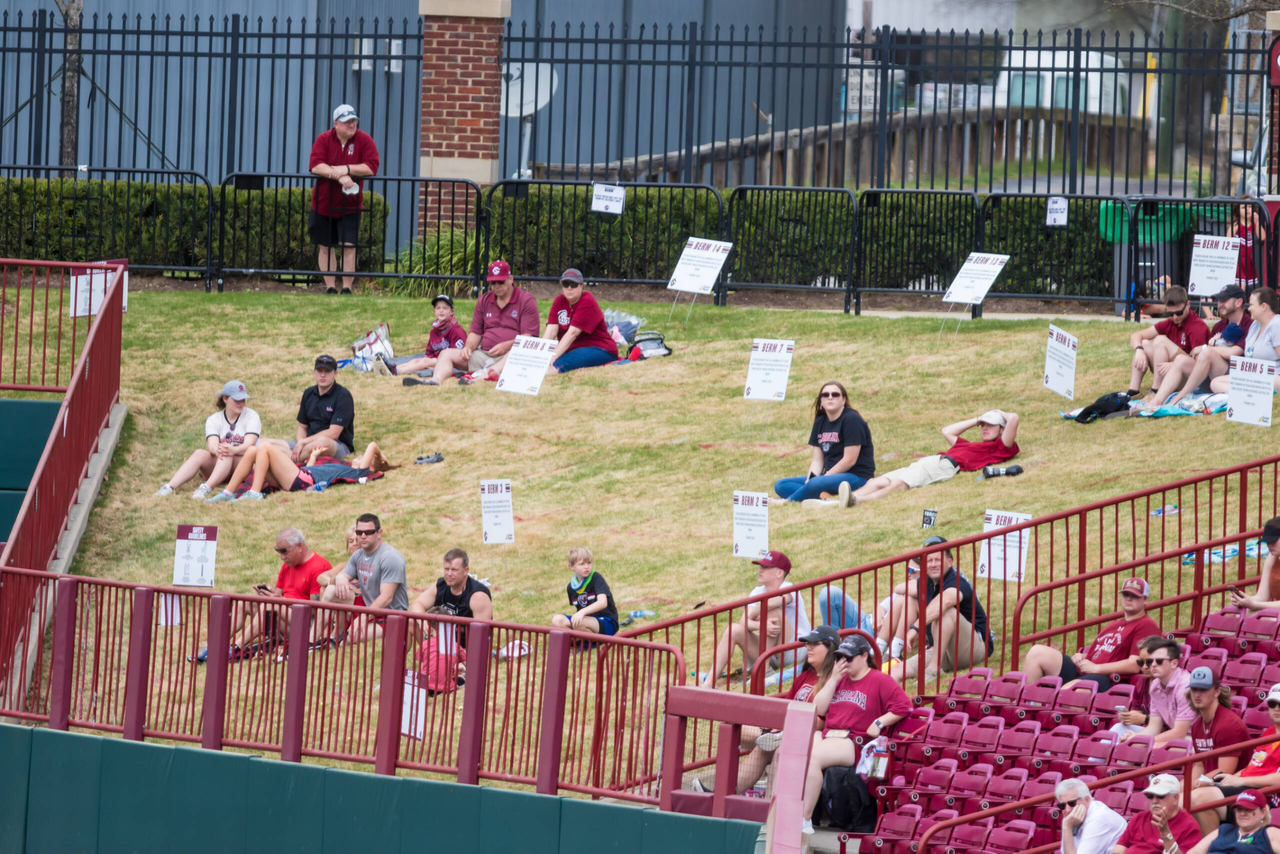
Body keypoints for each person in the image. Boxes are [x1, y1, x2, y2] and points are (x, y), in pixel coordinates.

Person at [690, 624, 841, 797]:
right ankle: (722, 794)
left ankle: (744, 800)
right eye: (807, 644)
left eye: (815, 644)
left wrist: (785, 729)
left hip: (807, 736)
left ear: (830, 649)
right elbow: (784, 708)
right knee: (731, 728)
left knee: (771, 748)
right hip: (781, 730)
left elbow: (823, 720)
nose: (809, 647)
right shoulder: (804, 677)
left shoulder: (833, 680)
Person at [801, 635, 911, 836]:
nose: (843, 662)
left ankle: (804, 818)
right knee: (796, 750)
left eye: (849, 658)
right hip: (831, 735)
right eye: (839, 658)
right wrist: (833, 678)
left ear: (864, 656)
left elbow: (904, 706)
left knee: (813, 758)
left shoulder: (879, 679)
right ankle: (791, 809)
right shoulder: (838, 679)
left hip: (855, 741)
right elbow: (818, 708)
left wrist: (879, 722)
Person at [844, 410, 1020, 507]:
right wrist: (977, 419)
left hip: (945, 466)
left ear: (1002, 430)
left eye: (990, 425)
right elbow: (947, 431)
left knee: (899, 484)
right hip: (931, 460)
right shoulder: (968, 444)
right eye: (982, 425)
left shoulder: (999, 448)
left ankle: (858, 501)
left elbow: (1014, 418)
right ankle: (838, 502)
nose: (984, 428)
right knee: (877, 481)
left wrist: (999, 412)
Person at [875, 536, 991, 680]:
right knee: (893, 672)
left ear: (949, 562)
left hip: (971, 648)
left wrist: (915, 628)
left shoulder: (957, 580)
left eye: (938, 559)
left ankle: (933, 670)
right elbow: (901, 589)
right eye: (929, 560)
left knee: (945, 611)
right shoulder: (926, 583)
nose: (933, 564)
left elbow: (946, 600)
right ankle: (887, 655)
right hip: (939, 649)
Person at [1021, 577, 1161, 690]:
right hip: (1086, 670)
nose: (1129, 598)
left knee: (1067, 691)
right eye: (1126, 594)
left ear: (1145, 599)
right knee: (1036, 652)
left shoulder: (1146, 625)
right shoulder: (1115, 624)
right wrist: (1082, 656)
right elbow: (1105, 652)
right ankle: (1025, 705)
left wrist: (1096, 668)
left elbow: (1135, 664)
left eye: (1135, 596)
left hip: (1108, 679)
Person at [701, 551, 812, 688]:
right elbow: (743, 622)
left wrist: (754, 615)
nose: (760, 570)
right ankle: (709, 683)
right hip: (771, 651)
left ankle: (764, 671)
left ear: (779, 573)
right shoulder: (757, 591)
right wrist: (761, 625)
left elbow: (771, 604)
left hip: (796, 649)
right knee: (733, 630)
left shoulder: (789, 587)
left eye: (766, 567)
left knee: (773, 610)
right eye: (760, 566)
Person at [1138, 284, 1252, 410]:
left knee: (1206, 352)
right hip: (1209, 377)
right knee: (1181, 359)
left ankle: (1178, 399)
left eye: (1224, 301)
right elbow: (1202, 355)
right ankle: (1156, 400)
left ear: (1238, 302)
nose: (1219, 304)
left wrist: (1204, 348)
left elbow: (1234, 352)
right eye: (1219, 301)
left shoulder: (1249, 324)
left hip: (1234, 377)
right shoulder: (1219, 326)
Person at [431, 260, 539, 386]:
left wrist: (508, 345)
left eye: (501, 281)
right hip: (484, 354)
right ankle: (435, 381)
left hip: (514, 355)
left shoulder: (526, 300)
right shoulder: (484, 300)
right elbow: (476, 332)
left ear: (511, 279)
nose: (496, 285)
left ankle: (478, 378)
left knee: (516, 351)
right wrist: (468, 347)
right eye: (493, 282)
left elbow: (528, 338)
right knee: (446, 353)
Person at [308, 103, 379, 294]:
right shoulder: (324, 139)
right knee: (326, 246)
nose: (351, 125)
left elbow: (372, 166)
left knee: (349, 246)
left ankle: (347, 288)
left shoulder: (364, 140)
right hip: (323, 204)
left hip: (351, 205)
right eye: (347, 122)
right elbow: (315, 165)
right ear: (336, 124)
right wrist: (340, 175)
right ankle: (330, 287)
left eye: (353, 121)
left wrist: (347, 168)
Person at [1193, 684, 1280, 832]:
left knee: (1198, 798)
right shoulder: (1269, 733)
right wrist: (1230, 779)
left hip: (1264, 796)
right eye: (1273, 704)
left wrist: (1240, 781)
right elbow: (1252, 767)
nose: (1277, 708)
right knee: (1196, 799)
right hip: (1246, 787)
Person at [773, 382, 875, 506]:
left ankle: (786, 502)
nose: (830, 397)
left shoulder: (852, 420)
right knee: (781, 485)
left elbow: (850, 460)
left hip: (857, 476)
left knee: (815, 484)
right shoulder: (820, 422)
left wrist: (822, 478)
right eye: (825, 395)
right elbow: (817, 461)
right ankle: (823, 496)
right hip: (829, 477)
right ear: (821, 401)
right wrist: (810, 479)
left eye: (835, 394)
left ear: (843, 400)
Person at [312, 514, 408, 645]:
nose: (363, 536)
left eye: (368, 532)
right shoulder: (359, 555)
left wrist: (364, 616)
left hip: (389, 615)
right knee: (331, 590)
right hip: (367, 606)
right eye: (359, 532)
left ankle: (336, 641)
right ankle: (309, 641)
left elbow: (387, 597)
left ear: (379, 533)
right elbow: (338, 576)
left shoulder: (390, 557)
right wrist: (341, 577)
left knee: (354, 637)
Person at [156, 380, 261, 499]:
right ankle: (170, 486)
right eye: (237, 400)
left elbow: (249, 445)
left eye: (243, 399)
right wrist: (219, 450)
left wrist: (232, 450)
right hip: (221, 464)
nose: (241, 403)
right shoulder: (214, 419)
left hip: (244, 465)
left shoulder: (251, 416)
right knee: (200, 453)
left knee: (227, 452)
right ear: (225, 399)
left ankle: (207, 487)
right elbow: (212, 445)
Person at [202, 440, 393, 503]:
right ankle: (227, 493)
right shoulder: (342, 467)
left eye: (364, 459)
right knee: (253, 450)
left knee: (265, 447)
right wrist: (313, 457)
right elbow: (311, 470)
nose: (358, 458)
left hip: (300, 480)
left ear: (370, 467)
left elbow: (373, 445)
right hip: (301, 475)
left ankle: (254, 493)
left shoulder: (357, 473)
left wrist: (381, 458)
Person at [1186, 666, 1254, 834]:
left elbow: (1225, 770)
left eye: (1203, 689)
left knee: (1192, 798)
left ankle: (1212, 847)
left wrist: (1192, 788)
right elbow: (1200, 766)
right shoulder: (1197, 725)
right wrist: (1179, 789)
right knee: (1168, 796)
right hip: (1212, 785)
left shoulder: (1227, 724)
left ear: (1217, 691)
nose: (1197, 694)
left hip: (1239, 787)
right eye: (1194, 689)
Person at [260, 355, 355, 462]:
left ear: (335, 374)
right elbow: (302, 426)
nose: (323, 375)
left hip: (336, 444)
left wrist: (303, 443)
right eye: (319, 371)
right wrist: (300, 443)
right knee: (262, 442)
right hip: (307, 443)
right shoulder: (308, 393)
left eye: (327, 371)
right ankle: (288, 456)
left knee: (321, 442)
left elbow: (333, 433)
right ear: (314, 372)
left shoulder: (343, 396)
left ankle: (288, 461)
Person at [1127, 286, 1210, 398]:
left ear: (1188, 305)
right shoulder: (1169, 323)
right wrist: (1138, 349)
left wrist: (1174, 364)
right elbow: (1136, 336)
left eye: (1179, 312)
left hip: (1191, 379)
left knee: (1160, 340)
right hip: (1171, 371)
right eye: (1170, 314)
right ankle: (1132, 392)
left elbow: (1200, 364)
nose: (1175, 317)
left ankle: (1156, 390)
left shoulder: (1197, 327)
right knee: (1144, 344)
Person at [372, 294, 468, 384]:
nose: (441, 311)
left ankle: (396, 371)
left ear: (452, 311)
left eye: (445, 308)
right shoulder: (434, 331)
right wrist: (429, 360)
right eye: (438, 308)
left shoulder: (456, 330)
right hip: (436, 359)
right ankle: (391, 367)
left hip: (450, 362)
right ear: (434, 311)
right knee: (416, 360)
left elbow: (458, 355)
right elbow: (429, 353)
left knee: (424, 362)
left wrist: (432, 362)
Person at [1118, 636, 1193, 746]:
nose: (1152, 665)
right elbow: (1154, 727)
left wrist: (1140, 740)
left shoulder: (1185, 687)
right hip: (1177, 737)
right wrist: (1135, 739)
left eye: (1159, 661)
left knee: (1143, 748)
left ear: (1174, 663)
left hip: (1198, 741)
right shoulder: (1155, 685)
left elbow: (1179, 733)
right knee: (1130, 746)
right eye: (1150, 661)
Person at [543, 268, 619, 373]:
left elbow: (572, 333)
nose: (569, 288)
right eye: (565, 284)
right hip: (572, 349)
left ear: (581, 286)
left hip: (599, 349)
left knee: (554, 366)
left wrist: (553, 355)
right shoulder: (559, 301)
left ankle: (553, 370)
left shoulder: (587, 300)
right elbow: (551, 330)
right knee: (542, 362)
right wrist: (541, 354)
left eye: (573, 284)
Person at [1210, 288, 1280, 395]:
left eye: (1252, 304)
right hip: (1251, 376)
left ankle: (1242, 393)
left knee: (1269, 377)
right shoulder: (1254, 325)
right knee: (1215, 383)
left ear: (1263, 306)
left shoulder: (1276, 324)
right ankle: (1244, 394)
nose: (1249, 308)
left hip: (1273, 376)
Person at [1111, 774, 1202, 854]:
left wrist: (1166, 834)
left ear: (1175, 798)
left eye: (1160, 795)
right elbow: (1119, 849)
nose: (1154, 800)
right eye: (1150, 796)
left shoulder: (1189, 826)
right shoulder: (1139, 818)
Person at [409, 548, 494, 623]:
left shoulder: (478, 596)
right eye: (446, 569)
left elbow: (481, 633)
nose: (449, 574)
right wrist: (422, 622)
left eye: (454, 570)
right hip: (440, 636)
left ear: (466, 570)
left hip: (465, 639)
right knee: (411, 623)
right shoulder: (440, 585)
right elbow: (417, 604)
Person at [551, 546, 619, 636]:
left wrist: (582, 612)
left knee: (578, 623)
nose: (586, 567)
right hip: (587, 621)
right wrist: (580, 614)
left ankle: (589, 642)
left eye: (589, 563)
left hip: (607, 621)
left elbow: (603, 602)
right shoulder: (571, 587)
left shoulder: (596, 578)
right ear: (571, 566)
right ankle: (579, 640)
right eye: (582, 564)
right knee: (556, 620)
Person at [1183, 791, 1280, 854]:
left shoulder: (1268, 833)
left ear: (1263, 812)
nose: (1242, 813)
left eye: (1248, 809)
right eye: (1239, 810)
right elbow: (1195, 852)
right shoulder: (1224, 830)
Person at [1057, 777, 1128, 854]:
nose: (1067, 809)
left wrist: (1067, 826)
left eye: (1072, 803)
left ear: (1086, 800)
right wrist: (1067, 826)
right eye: (1062, 805)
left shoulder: (1098, 818)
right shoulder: (1069, 818)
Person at [1231, 519, 1280, 610]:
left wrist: (1255, 605)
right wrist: (1244, 600)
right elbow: (1262, 597)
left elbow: (1259, 603)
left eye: (1273, 541)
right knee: (1242, 613)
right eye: (1267, 541)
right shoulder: (1272, 557)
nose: (1269, 545)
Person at [1231, 200, 1266, 291]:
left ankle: (1244, 303)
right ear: (1238, 210)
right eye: (1243, 207)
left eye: (1249, 207)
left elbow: (1262, 237)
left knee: (1249, 288)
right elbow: (1228, 240)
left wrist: (1258, 222)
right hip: (1238, 260)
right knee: (1240, 287)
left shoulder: (1254, 224)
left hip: (1248, 260)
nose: (1247, 209)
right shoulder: (1236, 225)